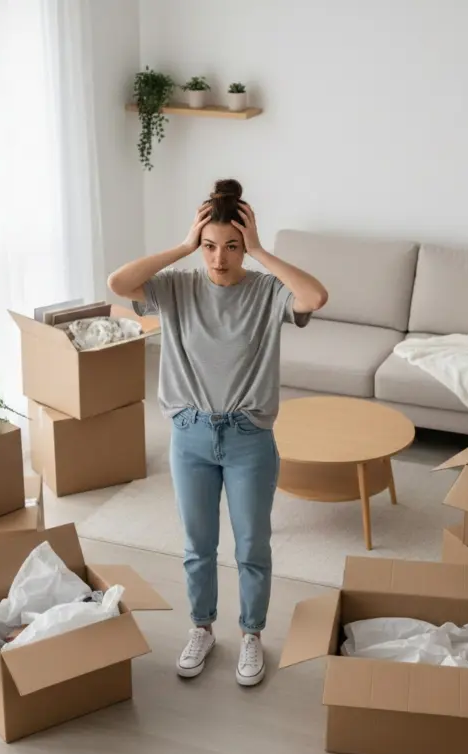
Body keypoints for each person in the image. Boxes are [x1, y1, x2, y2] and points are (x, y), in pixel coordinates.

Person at [107, 179, 327, 686]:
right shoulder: (177, 287)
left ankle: (251, 635)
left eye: (231, 247)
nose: (220, 259)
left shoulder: (268, 292)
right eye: (210, 246)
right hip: (190, 435)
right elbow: (120, 282)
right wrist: (184, 245)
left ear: (243, 246)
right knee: (197, 544)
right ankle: (202, 628)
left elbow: (315, 295)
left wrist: (262, 252)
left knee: (252, 545)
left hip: (249, 436)